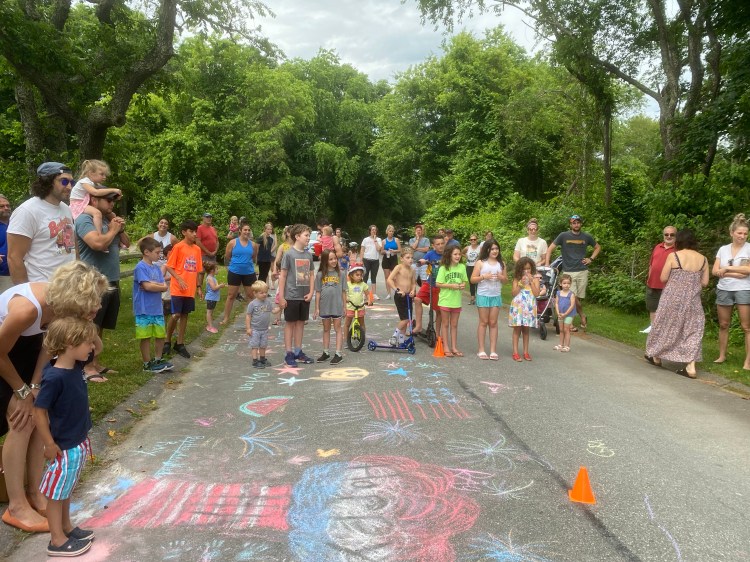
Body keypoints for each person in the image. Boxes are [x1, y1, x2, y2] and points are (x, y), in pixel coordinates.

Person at [0, 261, 106, 534]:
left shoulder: (63, 308)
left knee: (40, 416)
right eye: (92, 303)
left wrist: (36, 387)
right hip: (2, 356)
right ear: (75, 299)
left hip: (22, 351)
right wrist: (22, 392)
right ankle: (16, 507)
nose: (96, 308)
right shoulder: (26, 309)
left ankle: (36, 493)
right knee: (22, 421)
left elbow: (46, 348)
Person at [33, 317, 98, 557]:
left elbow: (97, 348)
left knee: (66, 488)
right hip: (64, 446)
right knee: (56, 493)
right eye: (88, 342)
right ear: (71, 342)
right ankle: (57, 540)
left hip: (77, 440)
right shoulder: (54, 377)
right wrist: (49, 443)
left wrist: (87, 322)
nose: (93, 347)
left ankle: (67, 527)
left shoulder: (76, 365)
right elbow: (39, 412)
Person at [75, 190, 129, 381]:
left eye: (113, 201)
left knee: (101, 325)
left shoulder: (108, 220)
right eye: (108, 200)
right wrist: (112, 230)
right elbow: (97, 244)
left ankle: (95, 362)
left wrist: (119, 228)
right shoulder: (85, 220)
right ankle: (87, 367)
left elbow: (126, 243)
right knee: (91, 324)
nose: (112, 204)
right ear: (94, 200)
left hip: (111, 279)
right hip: (93, 282)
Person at [646, 229, 709, 378]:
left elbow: (663, 278)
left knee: (664, 325)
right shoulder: (703, 259)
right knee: (693, 330)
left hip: (671, 299)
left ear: (679, 241)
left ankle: (656, 356)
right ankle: (691, 367)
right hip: (692, 301)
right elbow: (705, 282)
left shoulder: (673, 256)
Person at [7, 162, 76, 284]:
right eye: (64, 181)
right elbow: (14, 258)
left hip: (69, 286)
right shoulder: (27, 211)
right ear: (47, 181)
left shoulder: (66, 208)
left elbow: (72, 247)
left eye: (72, 182)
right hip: (42, 287)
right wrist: (26, 292)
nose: (70, 187)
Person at [544, 214, 600, 331]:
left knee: (577, 298)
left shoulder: (586, 236)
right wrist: (547, 264)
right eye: (574, 223)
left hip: (582, 271)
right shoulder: (563, 236)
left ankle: (582, 315)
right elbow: (550, 249)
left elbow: (598, 247)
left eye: (578, 222)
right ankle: (571, 323)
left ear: (581, 224)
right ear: (571, 224)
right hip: (568, 271)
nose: (576, 225)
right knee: (572, 297)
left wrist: (591, 259)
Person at [712, 213, 750, 370]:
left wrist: (726, 269)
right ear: (732, 233)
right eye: (739, 233)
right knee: (723, 324)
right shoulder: (723, 249)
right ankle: (722, 355)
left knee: (746, 326)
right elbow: (715, 271)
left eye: (745, 233)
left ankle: (748, 361)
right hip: (724, 289)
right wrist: (735, 272)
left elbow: (747, 271)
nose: (742, 236)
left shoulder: (749, 248)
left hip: (744, 289)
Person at [132, 237, 173, 373]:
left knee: (160, 335)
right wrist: (153, 285)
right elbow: (147, 286)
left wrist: (153, 284)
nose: (159, 255)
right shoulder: (140, 267)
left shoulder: (156, 268)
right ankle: (147, 363)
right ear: (146, 252)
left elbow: (163, 286)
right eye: (157, 252)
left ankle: (158, 359)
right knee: (145, 336)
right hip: (144, 309)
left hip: (157, 308)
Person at [164, 220, 203, 359]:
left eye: (195, 232)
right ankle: (167, 341)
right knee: (176, 315)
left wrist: (199, 287)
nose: (194, 234)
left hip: (189, 288)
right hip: (178, 288)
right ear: (184, 232)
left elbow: (198, 270)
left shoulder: (197, 249)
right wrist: (179, 279)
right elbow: (169, 266)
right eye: (191, 231)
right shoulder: (178, 247)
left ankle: (179, 343)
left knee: (185, 314)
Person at [278, 224, 315, 367]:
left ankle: (298, 352)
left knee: (300, 324)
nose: (308, 238)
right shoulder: (289, 254)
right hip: (291, 296)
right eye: (306, 235)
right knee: (290, 324)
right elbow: (283, 276)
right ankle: (289, 353)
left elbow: (311, 275)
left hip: (304, 296)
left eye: (309, 235)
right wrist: (281, 297)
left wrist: (311, 292)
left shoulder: (308, 255)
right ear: (297, 236)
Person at [470, 239, 507, 360]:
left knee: (493, 323)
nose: (495, 251)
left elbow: (506, 281)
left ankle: (493, 351)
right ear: (487, 250)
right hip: (483, 295)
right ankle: (481, 349)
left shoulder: (501, 263)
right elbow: (472, 279)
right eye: (492, 249)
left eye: (496, 249)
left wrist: (501, 277)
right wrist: (483, 277)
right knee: (483, 322)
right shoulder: (480, 263)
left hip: (496, 295)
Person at [69, 159, 122, 242]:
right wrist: (113, 190)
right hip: (77, 204)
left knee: (112, 215)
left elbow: (103, 192)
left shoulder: (93, 183)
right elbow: (96, 192)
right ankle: (99, 235)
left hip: (83, 202)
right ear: (91, 173)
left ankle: (118, 236)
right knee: (97, 213)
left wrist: (116, 196)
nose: (104, 177)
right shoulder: (84, 182)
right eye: (102, 174)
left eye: (105, 174)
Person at [219, 224, 258, 326]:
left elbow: (254, 257)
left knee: (251, 296)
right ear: (240, 230)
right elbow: (228, 256)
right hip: (234, 272)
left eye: (248, 230)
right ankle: (226, 318)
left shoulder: (253, 245)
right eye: (245, 230)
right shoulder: (233, 242)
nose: (247, 232)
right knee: (231, 295)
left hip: (249, 273)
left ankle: (252, 319)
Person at [313, 249, 347, 364]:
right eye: (330, 259)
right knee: (326, 329)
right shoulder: (320, 275)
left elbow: (343, 291)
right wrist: (317, 308)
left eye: (335, 258)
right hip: (325, 306)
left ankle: (338, 353)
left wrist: (345, 306)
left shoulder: (341, 273)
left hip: (337, 305)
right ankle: (326, 352)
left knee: (338, 328)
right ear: (325, 261)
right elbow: (318, 292)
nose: (334, 261)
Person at [436, 245, 468, 357]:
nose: (458, 256)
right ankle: (446, 347)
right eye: (455, 254)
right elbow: (438, 284)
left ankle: (454, 347)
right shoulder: (443, 268)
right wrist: (451, 285)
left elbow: (464, 281)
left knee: (454, 325)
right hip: (445, 299)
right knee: (445, 324)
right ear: (449, 255)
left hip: (456, 300)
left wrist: (462, 285)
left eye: (459, 254)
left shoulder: (462, 267)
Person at [509, 257, 541, 362]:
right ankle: (515, 352)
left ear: (532, 268)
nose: (526, 271)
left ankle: (526, 352)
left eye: (528, 268)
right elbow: (513, 293)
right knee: (517, 329)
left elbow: (536, 294)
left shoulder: (535, 279)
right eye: (524, 269)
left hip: (529, 307)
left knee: (526, 330)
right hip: (518, 307)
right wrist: (521, 284)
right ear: (520, 269)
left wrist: (531, 282)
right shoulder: (517, 279)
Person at [646, 226, 678, 326]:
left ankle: (664, 330)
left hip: (668, 286)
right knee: (652, 307)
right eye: (666, 234)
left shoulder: (678, 250)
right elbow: (651, 265)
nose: (669, 236)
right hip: (652, 284)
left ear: (676, 236)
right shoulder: (657, 247)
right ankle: (653, 327)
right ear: (663, 235)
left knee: (667, 310)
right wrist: (649, 279)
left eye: (672, 234)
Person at [414, 234, 445, 337]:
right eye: (438, 244)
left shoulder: (447, 255)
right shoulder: (430, 254)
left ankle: (438, 334)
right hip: (430, 282)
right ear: (433, 245)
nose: (440, 246)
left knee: (439, 310)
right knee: (417, 299)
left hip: (441, 286)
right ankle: (418, 325)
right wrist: (421, 262)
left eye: (442, 243)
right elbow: (423, 260)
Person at [387, 248, 417, 346]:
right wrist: (397, 290)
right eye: (408, 257)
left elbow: (413, 283)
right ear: (402, 258)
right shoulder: (398, 267)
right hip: (400, 296)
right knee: (405, 319)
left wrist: (413, 290)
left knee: (406, 319)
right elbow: (389, 279)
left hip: (408, 296)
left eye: (412, 258)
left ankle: (401, 340)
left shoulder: (412, 270)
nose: (410, 260)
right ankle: (394, 336)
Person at [245, 280, 275, 368]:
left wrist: (281, 307)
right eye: (261, 293)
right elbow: (248, 316)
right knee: (255, 345)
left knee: (263, 345)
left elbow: (273, 311)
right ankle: (255, 361)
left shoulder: (268, 302)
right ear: (255, 293)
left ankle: (262, 359)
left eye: (266, 292)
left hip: (264, 329)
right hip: (255, 329)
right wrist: (248, 328)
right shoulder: (252, 304)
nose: (264, 294)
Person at [345, 264, 368, 344]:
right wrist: (345, 298)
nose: (359, 277)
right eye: (357, 275)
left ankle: (362, 338)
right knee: (347, 324)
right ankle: (346, 340)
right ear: (351, 275)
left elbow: (368, 294)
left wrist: (369, 300)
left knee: (362, 323)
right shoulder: (348, 284)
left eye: (361, 275)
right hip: (350, 307)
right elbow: (344, 293)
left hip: (360, 307)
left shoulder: (363, 284)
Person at [554, 274, 577, 352]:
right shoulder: (558, 293)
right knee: (561, 329)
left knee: (566, 329)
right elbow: (556, 303)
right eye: (564, 283)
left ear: (570, 284)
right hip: (561, 314)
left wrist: (565, 314)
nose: (566, 285)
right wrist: (558, 313)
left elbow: (572, 305)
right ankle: (560, 344)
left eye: (568, 283)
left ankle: (567, 346)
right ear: (560, 284)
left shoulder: (571, 294)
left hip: (569, 315)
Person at [359, 225, 382, 304]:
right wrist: (361, 260)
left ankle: (374, 294)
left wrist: (375, 240)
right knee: (365, 277)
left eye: (375, 230)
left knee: (373, 277)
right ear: (370, 231)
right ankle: (364, 293)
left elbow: (379, 249)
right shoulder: (365, 239)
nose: (374, 231)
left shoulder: (379, 239)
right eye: (372, 230)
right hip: (366, 260)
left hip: (375, 260)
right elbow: (362, 250)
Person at [196, 212, 218, 289]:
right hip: (203, 254)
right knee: (201, 272)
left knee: (212, 272)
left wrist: (215, 251)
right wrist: (208, 252)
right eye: (207, 217)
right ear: (203, 218)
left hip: (213, 254)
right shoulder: (199, 228)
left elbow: (217, 241)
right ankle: (199, 290)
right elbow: (198, 242)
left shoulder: (213, 228)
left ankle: (210, 289)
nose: (209, 218)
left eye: (210, 217)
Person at [381, 225, 401, 299]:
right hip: (386, 258)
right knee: (387, 277)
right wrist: (386, 251)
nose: (391, 233)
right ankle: (388, 293)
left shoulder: (396, 240)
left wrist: (394, 251)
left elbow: (400, 250)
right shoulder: (384, 241)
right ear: (387, 232)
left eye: (392, 231)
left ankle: (397, 291)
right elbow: (381, 251)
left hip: (393, 258)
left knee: (395, 277)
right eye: (390, 231)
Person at [204, 262, 225, 334]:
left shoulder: (213, 278)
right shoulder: (210, 278)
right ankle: (210, 327)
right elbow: (214, 288)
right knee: (209, 312)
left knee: (211, 312)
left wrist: (220, 285)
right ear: (212, 270)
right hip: (211, 298)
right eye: (217, 269)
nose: (218, 270)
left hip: (213, 298)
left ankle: (209, 325)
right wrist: (220, 286)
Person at [462, 233, 481, 305]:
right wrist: (466, 256)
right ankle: (472, 298)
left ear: (477, 240)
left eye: (474, 239)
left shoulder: (480, 248)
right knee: (471, 282)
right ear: (470, 240)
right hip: (469, 266)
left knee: (478, 282)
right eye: (471, 239)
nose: (473, 241)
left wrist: (479, 259)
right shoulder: (467, 248)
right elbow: (461, 253)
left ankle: (479, 298)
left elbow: (483, 255)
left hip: (477, 266)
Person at [0, 194, 12, 293]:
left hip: (18, 272)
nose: (6, 208)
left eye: (8, 205)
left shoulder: (16, 223)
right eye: (2, 206)